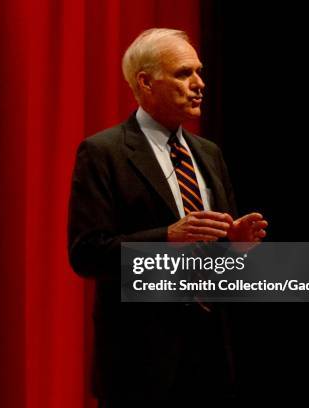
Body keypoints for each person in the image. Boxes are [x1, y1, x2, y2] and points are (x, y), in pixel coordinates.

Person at [68, 28, 268, 406]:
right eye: (183, 73)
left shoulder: (209, 154)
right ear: (145, 82)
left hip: (211, 356)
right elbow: (86, 254)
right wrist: (167, 237)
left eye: (199, 71)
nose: (200, 84)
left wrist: (234, 245)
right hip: (141, 362)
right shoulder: (103, 152)